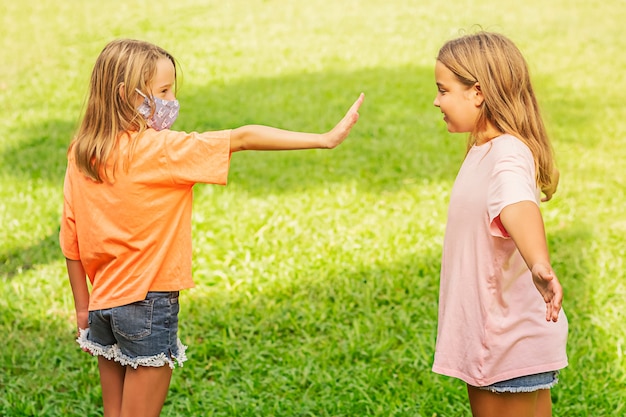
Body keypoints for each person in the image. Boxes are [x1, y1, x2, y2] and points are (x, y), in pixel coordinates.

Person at [59, 38, 364, 417]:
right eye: (164, 91)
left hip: (103, 306)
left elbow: (69, 238)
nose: (172, 100)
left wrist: (82, 310)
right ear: (126, 95)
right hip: (147, 305)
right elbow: (244, 137)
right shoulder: (163, 150)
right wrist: (323, 139)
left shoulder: (83, 152)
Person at [431, 31, 568, 417]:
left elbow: (517, 204)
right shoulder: (484, 148)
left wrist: (539, 263)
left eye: (443, 90)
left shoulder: (506, 153)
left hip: (504, 343)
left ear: (477, 92)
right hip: (506, 339)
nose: (437, 100)